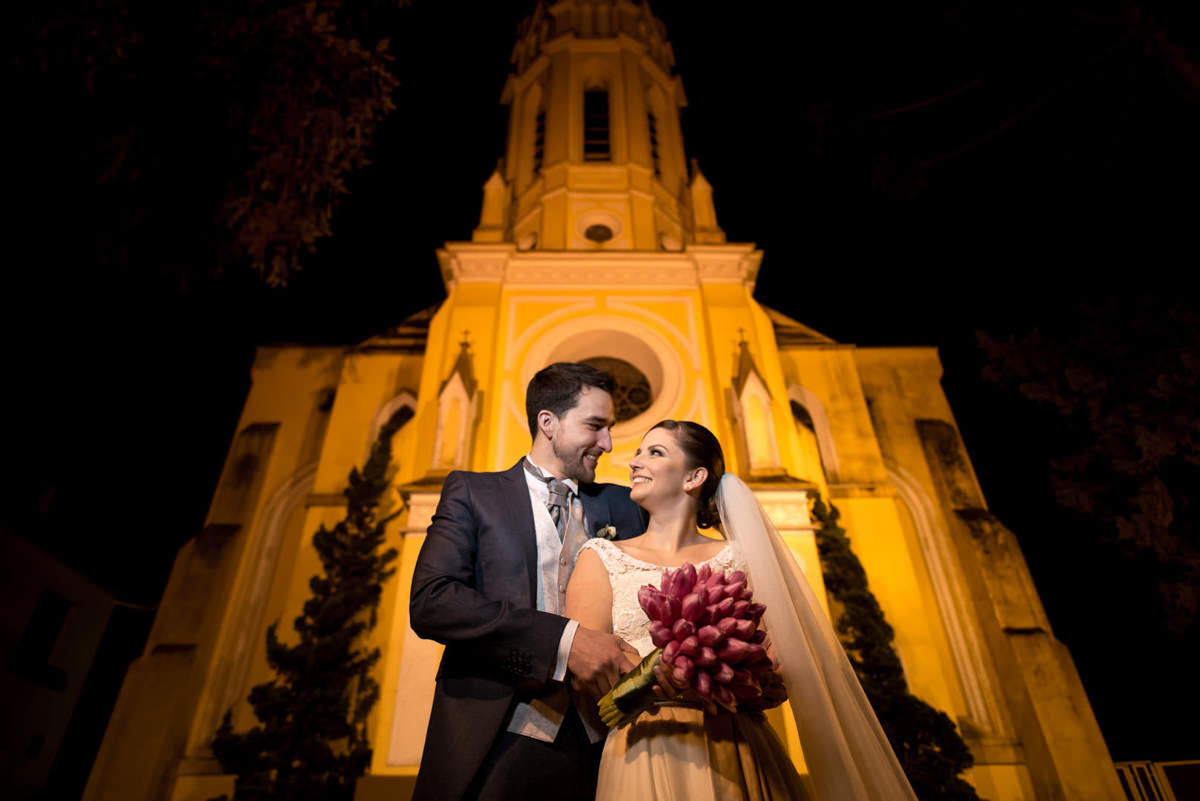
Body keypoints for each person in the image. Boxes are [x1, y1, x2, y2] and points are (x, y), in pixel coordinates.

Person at [567, 420, 919, 801]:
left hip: (735, 746)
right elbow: (585, 676)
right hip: (644, 748)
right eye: (638, 452)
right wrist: (664, 676)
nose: (635, 462)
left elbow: (780, 677)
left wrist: (741, 676)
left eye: (655, 452)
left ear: (694, 477)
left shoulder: (743, 560)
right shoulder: (601, 557)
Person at [409, 362, 648, 801]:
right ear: (548, 422)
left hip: (609, 743)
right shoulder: (473, 493)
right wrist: (565, 641)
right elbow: (433, 600)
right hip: (498, 735)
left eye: (610, 428)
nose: (609, 444)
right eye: (596, 426)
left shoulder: (623, 504)